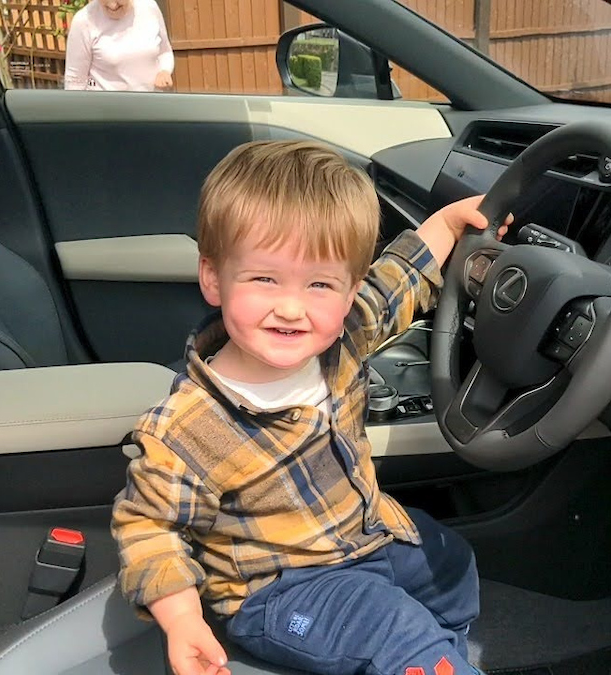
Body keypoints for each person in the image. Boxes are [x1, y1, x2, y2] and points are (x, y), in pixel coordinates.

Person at [112, 139, 508, 675]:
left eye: (320, 283)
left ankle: (441, 654)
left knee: (452, 563)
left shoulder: (344, 335)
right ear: (213, 277)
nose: (292, 308)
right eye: (264, 279)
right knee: (396, 631)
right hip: (280, 590)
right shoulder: (189, 427)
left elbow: (396, 281)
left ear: (347, 293)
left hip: (365, 535)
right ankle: (423, 656)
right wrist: (183, 619)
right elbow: (148, 529)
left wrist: (447, 222)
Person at [63, 0, 174, 92]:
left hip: (152, 107)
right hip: (107, 112)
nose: (112, 5)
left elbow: (165, 52)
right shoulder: (84, 21)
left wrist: (164, 71)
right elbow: (74, 80)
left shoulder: (150, 7)